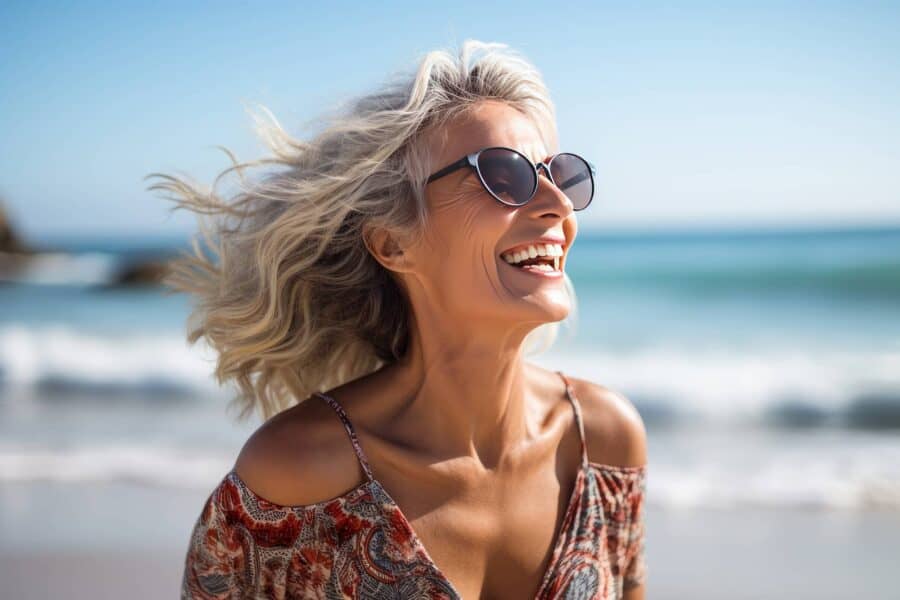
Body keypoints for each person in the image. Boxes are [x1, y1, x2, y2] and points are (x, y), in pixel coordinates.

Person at [150, 39, 648, 600]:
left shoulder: (603, 443)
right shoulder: (296, 475)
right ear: (393, 243)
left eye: (558, 173)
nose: (557, 202)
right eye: (504, 176)